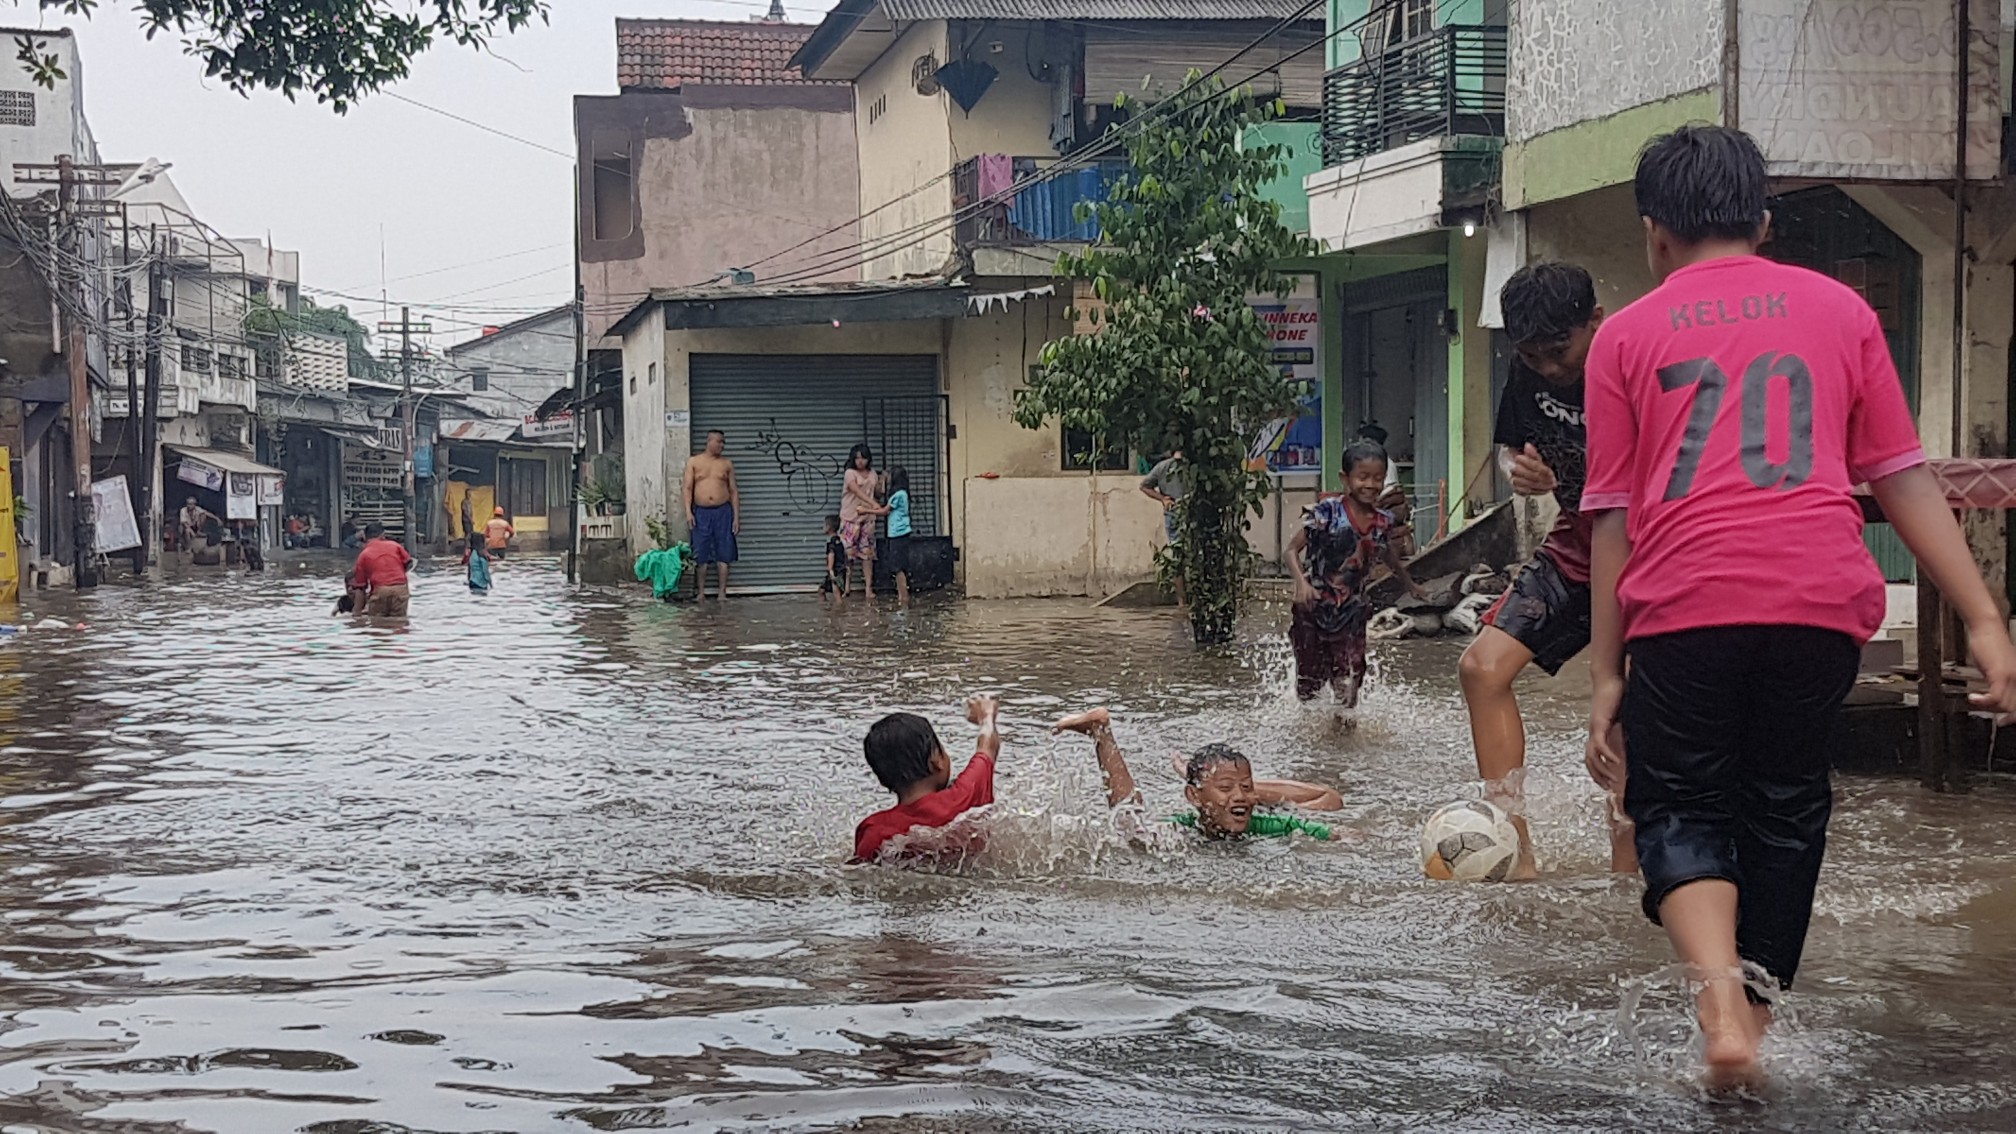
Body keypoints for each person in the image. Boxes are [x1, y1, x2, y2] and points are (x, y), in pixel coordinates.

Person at [1582, 124, 2016, 1087]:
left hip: (1686, 602)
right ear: (1764, 218)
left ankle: (1719, 1012)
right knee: (1785, 809)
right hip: (1821, 603)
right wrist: (1984, 618)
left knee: (1679, 802)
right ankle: (1758, 1028)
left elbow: (1611, 518)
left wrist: (1608, 673)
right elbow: (1901, 477)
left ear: (1656, 232)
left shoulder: (1624, 334)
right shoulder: (1843, 311)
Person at [1457, 261, 1632, 881]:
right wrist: (1519, 474)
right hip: (1579, 545)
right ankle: (1515, 848)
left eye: (1560, 351)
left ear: (1595, 323)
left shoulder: (1632, 365)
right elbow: (1513, 449)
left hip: (1650, 554)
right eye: (1532, 356)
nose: (1550, 368)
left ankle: (1627, 871)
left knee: (1626, 712)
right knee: (1481, 667)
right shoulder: (1527, 374)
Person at [1054, 708, 1343, 840]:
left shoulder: (1269, 825)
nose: (1240, 796)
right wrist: (1205, 785)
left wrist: (1238, 792)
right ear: (1193, 797)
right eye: (1227, 787)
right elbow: (1133, 832)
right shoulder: (1185, 828)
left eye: (1245, 786)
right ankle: (1101, 733)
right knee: (1131, 830)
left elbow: (1330, 799)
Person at [1285, 441, 1424, 707]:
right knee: (1309, 682)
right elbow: (1291, 550)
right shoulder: (1326, 513)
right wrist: (1301, 583)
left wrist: (1410, 584)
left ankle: (1345, 730)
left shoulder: (1383, 521)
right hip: (1313, 609)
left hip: (1352, 612)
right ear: (1345, 478)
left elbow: (1386, 554)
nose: (1370, 485)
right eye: (1363, 477)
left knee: (1350, 674)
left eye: (1378, 478)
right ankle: (1308, 736)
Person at [853, 694, 1000, 864]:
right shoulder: (962, 796)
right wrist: (986, 716)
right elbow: (988, 747)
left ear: (882, 779)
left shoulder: (874, 831)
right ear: (936, 760)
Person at [683, 429, 741, 600]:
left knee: (724, 551)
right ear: (709, 442)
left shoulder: (726, 464)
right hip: (701, 513)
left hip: (723, 512)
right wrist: (688, 512)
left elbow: (733, 491)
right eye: (719, 442)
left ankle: (722, 592)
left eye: (724, 442)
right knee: (701, 552)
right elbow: (687, 488)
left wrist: (736, 517)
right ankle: (701, 592)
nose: (722, 446)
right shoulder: (694, 462)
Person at [1139, 450, 1189, 606]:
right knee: (1184, 557)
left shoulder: (1163, 467)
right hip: (1182, 515)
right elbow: (1144, 486)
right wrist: (1163, 499)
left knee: (1177, 558)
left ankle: (1182, 602)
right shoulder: (1188, 466)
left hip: (1176, 513)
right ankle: (1186, 601)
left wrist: (1163, 499)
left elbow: (1144, 486)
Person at [839, 443, 887, 596]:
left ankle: (868, 587)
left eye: (863, 458)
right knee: (849, 554)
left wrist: (882, 481)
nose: (860, 461)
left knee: (868, 554)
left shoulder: (872, 473)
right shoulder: (849, 473)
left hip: (868, 518)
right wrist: (874, 504)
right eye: (857, 458)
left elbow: (877, 493)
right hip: (850, 518)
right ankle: (846, 586)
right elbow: (856, 490)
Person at [349, 523, 414, 617]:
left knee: (377, 623)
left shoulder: (363, 555)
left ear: (365, 537)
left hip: (380, 590)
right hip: (400, 588)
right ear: (383, 535)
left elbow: (360, 588)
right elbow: (409, 563)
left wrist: (356, 613)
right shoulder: (395, 546)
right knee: (399, 623)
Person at [885, 464, 914, 606]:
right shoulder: (902, 494)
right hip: (897, 533)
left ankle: (903, 596)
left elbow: (885, 511)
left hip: (898, 533)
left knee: (898, 567)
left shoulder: (898, 495)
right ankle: (902, 594)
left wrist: (865, 510)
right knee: (897, 566)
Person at [818, 513, 847, 600]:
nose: (822, 527)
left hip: (835, 571)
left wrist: (830, 570)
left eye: (824, 525)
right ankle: (827, 607)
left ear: (829, 528)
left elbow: (831, 555)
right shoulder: (839, 541)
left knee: (836, 592)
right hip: (840, 569)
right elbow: (844, 554)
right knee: (821, 590)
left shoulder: (831, 543)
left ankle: (839, 610)